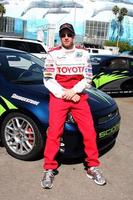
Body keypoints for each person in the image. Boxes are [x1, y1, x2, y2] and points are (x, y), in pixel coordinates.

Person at [41, 23, 106, 189]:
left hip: (78, 96)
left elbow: (88, 77)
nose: (66, 37)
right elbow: (48, 79)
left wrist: (75, 91)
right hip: (59, 96)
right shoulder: (52, 54)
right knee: (54, 132)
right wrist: (64, 93)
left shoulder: (83, 53)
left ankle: (92, 167)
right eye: (63, 34)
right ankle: (49, 168)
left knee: (89, 131)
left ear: (74, 36)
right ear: (60, 37)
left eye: (69, 34)